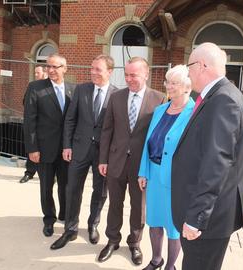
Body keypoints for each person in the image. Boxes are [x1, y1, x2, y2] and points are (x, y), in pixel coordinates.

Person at [171, 42, 243, 270]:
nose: (188, 73)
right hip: (210, 212)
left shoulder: (223, 100)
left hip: (208, 220)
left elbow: (217, 162)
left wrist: (196, 218)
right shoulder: (221, 95)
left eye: (189, 67)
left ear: (202, 66)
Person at [98, 57, 165, 265]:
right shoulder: (116, 97)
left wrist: (154, 167)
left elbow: (159, 137)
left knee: (139, 206)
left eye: (133, 75)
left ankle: (134, 243)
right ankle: (112, 240)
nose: (129, 79)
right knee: (115, 204)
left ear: (146, 74)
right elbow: (107, 130)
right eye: (126, 75)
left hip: (142, 166)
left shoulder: (160, 99)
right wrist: (103, 159)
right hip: (116, 161)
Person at [50, 55, 118, 250]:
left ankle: (92, 225)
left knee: (100, 191)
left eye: (98, 69)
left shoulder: (117, 95)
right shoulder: (82, 89)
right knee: (72, 189)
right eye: (92, 68)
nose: (93, 72)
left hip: (102, 154)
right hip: (79, 149)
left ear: (109, 72)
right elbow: (70, 119)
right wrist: (67, 146)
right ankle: (70, 229)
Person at [138, 65, 194, 270]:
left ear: (187, 86)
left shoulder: (193, 112)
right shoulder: (160, 110)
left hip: (175, 180)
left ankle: (170, 266)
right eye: (167, 82)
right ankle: (156, 260)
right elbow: (148, 142)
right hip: (153, 175)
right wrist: (143, 171)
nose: (168, 86)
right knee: (154, 221)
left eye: (174, 83)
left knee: (173, 227)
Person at [23, 53, 75, 237]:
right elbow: (29, 121)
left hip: (67, 150)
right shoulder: (35, 88)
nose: (51, 70)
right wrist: (32, 148)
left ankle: (63, 213)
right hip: (44, 149)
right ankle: (49, 219)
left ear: (65, 69)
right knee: (46, 187)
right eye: (48, 66)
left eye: (55, 67)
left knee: (65, 185)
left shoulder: (73, 89)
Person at [20, 65, 48, 184]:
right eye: (35, 73)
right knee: (32, 149)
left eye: (38, 73)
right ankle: (29, 173)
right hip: (34, 125)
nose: (35, 75)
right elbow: (25, 101)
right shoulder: (32, 86)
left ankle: (50, 175)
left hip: (47, 127)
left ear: (45, 73)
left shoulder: (50, 87)